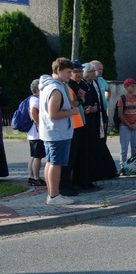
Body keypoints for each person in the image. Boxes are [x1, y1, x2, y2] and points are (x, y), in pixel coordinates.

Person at [38, 58, 80, 205]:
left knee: (50, 163)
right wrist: (72, 111)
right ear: (58, 71)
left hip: (51, 132)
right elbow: (53, 114)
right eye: (68, 72)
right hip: (58, 132)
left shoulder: (48, 85)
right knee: (56, 164)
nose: (70, 75)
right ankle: (54, 196)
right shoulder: (55, 89)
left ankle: (52, 194)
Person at [73, 63, 117, 189]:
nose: (95, 73)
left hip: (96, 119)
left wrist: (98, 111)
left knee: (96, 147)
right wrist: (89, 108)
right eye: (92, 71)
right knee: (86, 151)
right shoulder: (80, 85)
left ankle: (95, 175)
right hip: (84, 123)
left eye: (95, 71)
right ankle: (86, 179)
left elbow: (98, 100)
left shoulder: (94, 82)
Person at [59, 60, 86, 197]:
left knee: (72, 158)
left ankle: (68, 184)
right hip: (71, 126)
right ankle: (64, 185)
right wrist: (80, 100)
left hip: (76, 124)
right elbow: (69, 104)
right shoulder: (63, 86)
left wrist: (80, 99)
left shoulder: (66, 86)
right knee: (67, 159)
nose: (71, 75)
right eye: (70, 72)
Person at [116, 78, 136, 169]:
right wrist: (129, 125)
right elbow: (120, 114)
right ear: (126, 87)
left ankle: (133, 166)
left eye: (135, 86)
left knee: (135, 147)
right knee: (124, 148)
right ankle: (123, 166)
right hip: (125, 126)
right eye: (132, 86)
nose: (134, 88)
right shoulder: (122, 98)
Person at [26, 79, 46, 186]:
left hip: (32, 133)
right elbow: (33, 111)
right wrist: (39, 123)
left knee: (34, 156)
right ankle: (36, 178)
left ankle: (31, 176)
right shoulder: (36, 100)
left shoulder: (31, 99)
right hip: (37, 133)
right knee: (38, 156)